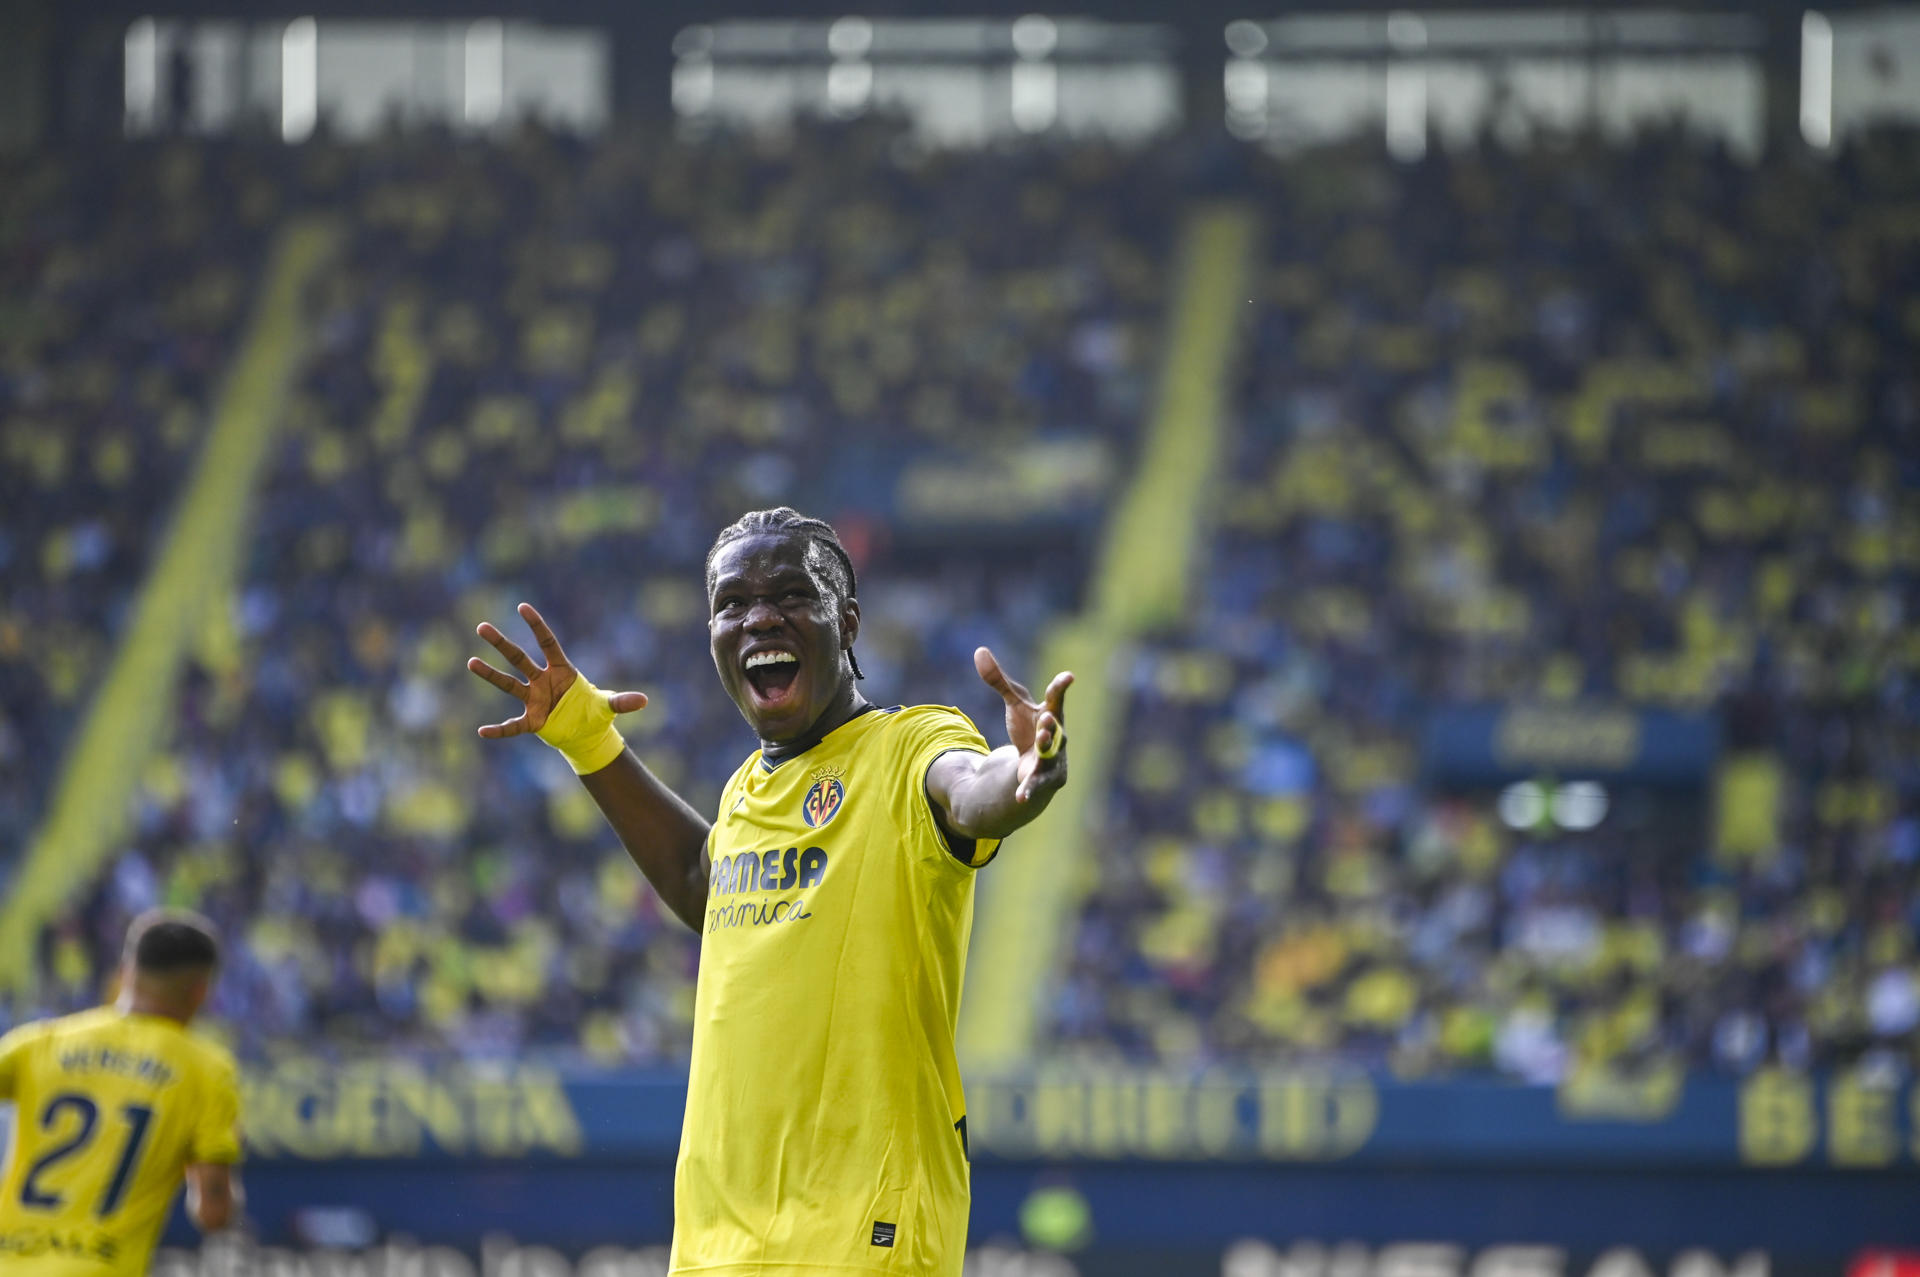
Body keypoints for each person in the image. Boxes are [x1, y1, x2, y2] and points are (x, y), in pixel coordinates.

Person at [468, 506, 1072, 1276]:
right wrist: (590, 741)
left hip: (861, 1234)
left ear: (846, 622)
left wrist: (1023, 776)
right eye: (732, 603)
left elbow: (969, 787)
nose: (758, 617)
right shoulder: (748, 790)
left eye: (790, 594)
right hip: (719, 1240)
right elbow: (702, 882)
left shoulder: (908, 745)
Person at [0, 909, 243, 1275]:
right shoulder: (207, 1071)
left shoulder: (39, 1043)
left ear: (127, 971)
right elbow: (213, 1213)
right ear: (201, 989)